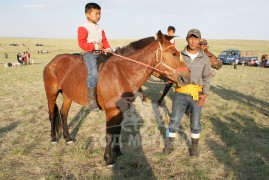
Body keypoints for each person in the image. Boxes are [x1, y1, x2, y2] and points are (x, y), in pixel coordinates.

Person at [163, 29, 212, 157]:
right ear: (187, 39)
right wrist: (169, 75)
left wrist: (205, 95)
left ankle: (194, 148)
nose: (193, 41)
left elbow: (207, 77)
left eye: (196, 38)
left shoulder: (205, 58)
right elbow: (172, 71)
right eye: (191, 38)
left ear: (199, 40)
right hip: (180, 93)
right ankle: (169, 144)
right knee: (174, 120)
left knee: (195, 123)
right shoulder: (179, 55)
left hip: (197, 94)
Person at [77, 2, 112, 111]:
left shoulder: (100, 28)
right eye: (96, 14)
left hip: (101, 52)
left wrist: (108, 48)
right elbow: (81, 43)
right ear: (87, 14)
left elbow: (104, 41)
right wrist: (96, 46)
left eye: (100, 14)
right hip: (89, 53)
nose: (98, 16)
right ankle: (91, 100)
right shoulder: (83, 27)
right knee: (94, 72)